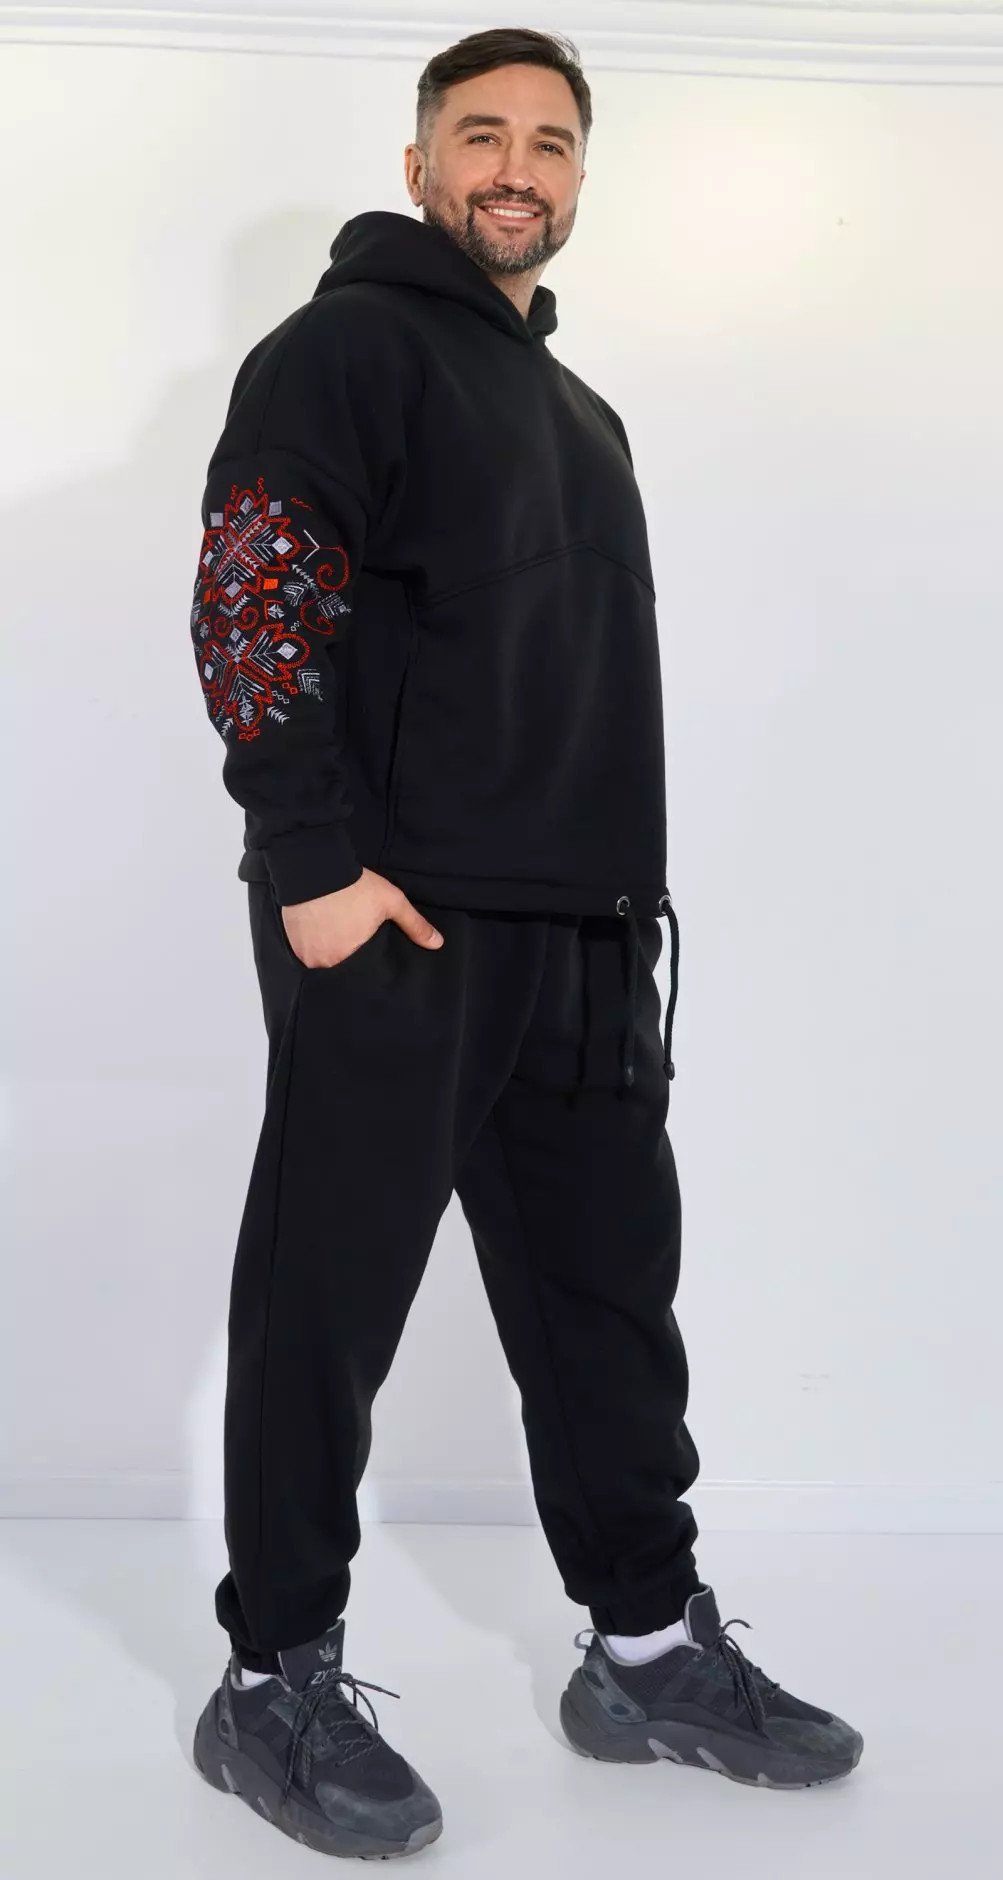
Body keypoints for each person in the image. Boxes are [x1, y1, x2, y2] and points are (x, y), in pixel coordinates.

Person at [188, 25, 863, 1860]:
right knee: (329, 1304)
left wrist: (616, 917)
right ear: (419, 164)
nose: (515, 167)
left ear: (577, 181)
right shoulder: (342, 348)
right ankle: (270, 1681)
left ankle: (644, 1649)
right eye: (479, 134)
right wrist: (311, 860)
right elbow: (255, 583)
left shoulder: (582, 414)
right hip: (398, 912)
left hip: (581, 931)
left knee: (605, 1305)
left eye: (550, 142)